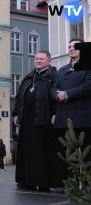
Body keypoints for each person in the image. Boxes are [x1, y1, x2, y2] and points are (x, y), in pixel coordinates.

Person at [49, 38, 91, 190]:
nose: (71, 49)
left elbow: (88, 87)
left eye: (75, 46)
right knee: (63, 153)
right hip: (63, 117)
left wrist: (66, 94)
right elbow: (53, 88)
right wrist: (56, 94)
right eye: (69, 46)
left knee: (84, 154)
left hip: (82, 118)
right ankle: (64, 184)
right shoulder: (62, 70)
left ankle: (85, 185)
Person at [12, 50, 56, 191]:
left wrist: (55, 114)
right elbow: (19, 97)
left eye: (42, 59)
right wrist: (15, 114)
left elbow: (55, 98)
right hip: (27, 120)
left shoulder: (53, 76)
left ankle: (43, 182)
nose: (38, 60)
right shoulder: (28, 77)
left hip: (44, 119)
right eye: (36, 58)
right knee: (26, 152)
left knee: (41, 154)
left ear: (48, 61)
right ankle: (26, 181)